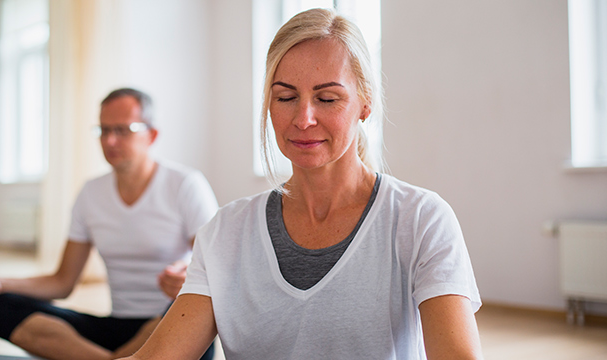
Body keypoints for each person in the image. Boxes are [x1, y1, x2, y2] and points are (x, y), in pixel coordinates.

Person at [120, 8, 483, 360]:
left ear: (365, 103)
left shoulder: (421, 219)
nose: (304, 118)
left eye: (327, 98)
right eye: (286, 97)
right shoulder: (225, 233)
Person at [0, 88, 219, 360]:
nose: (110, 140)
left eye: (123, 130)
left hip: (169, 323)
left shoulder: (185, 184)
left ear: (152, 134)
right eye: (104, 130)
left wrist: (189, 275)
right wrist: (0, 282)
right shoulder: (90, 193)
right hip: (114, 328)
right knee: (3, 308)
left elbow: (217, 270)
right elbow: (62, 282)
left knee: (192, 319)